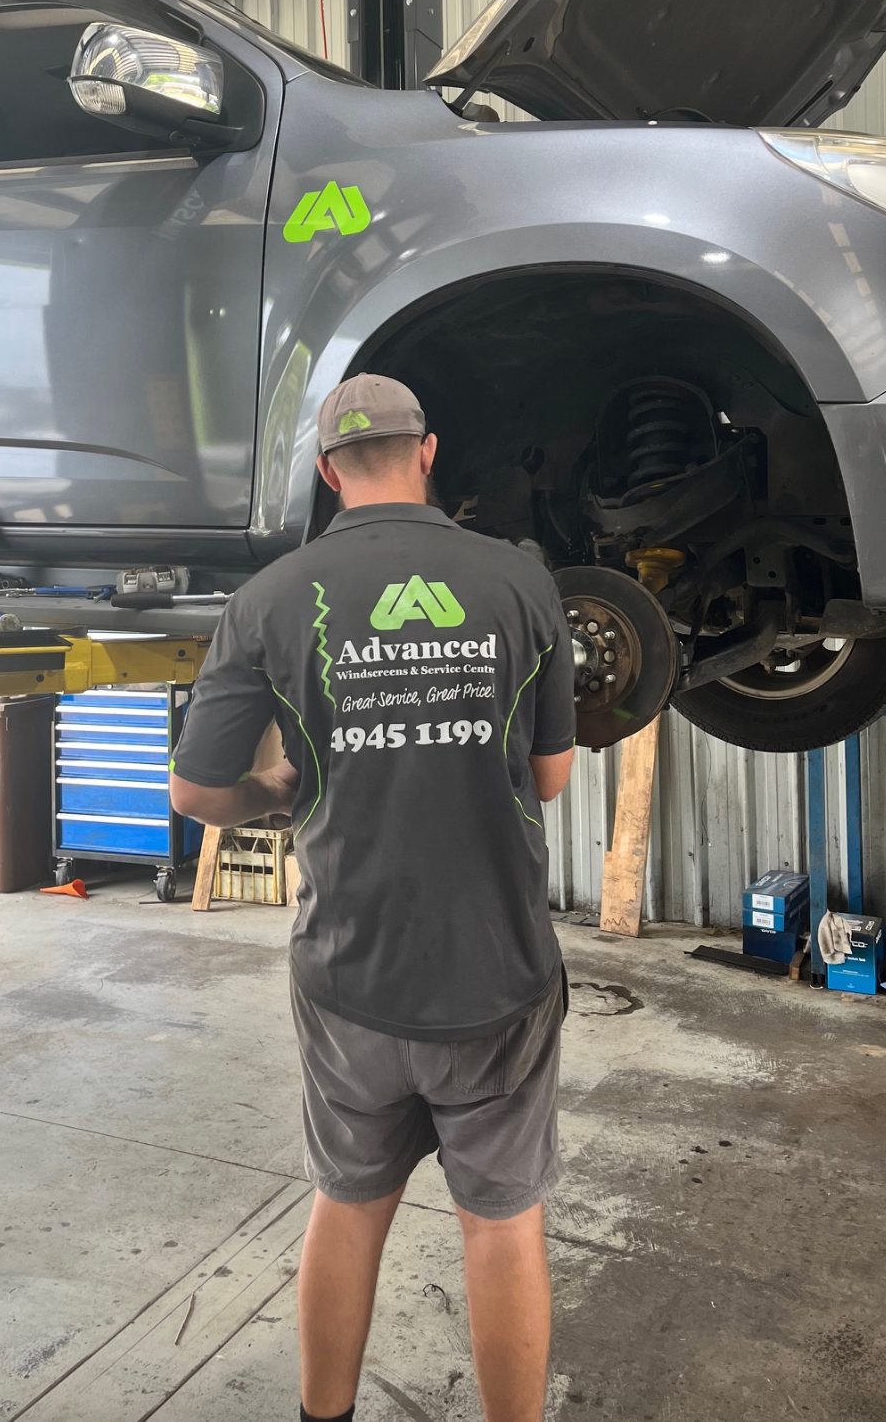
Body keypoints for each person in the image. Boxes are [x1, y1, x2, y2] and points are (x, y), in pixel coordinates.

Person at [170, 373, 576, 1422]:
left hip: (349, 974)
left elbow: (197, 792)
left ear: (323, 470)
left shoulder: (269, 598)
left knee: (347, 1205)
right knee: (499, 1223)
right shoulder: (518, 582)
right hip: (497, 973)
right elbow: (548, 775)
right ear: (426, 450)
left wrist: (273, 786)